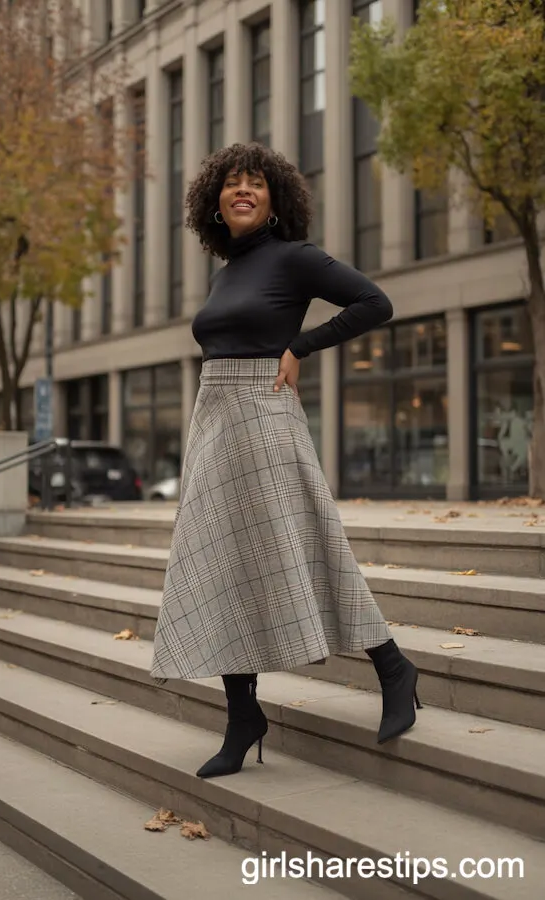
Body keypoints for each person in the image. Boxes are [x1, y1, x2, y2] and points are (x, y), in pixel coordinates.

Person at [150, 143, 421, 778]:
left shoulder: (294, 258)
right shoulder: (225, 271)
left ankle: (393, 666)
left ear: (275, 199)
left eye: (255, 184)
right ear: (213, 200)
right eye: (231, 184)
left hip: (265, 417)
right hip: (214, 419)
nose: (242, 191)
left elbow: (374, 303)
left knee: (311, 546)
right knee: (223, 565)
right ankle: (243, 715)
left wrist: (303, 344)